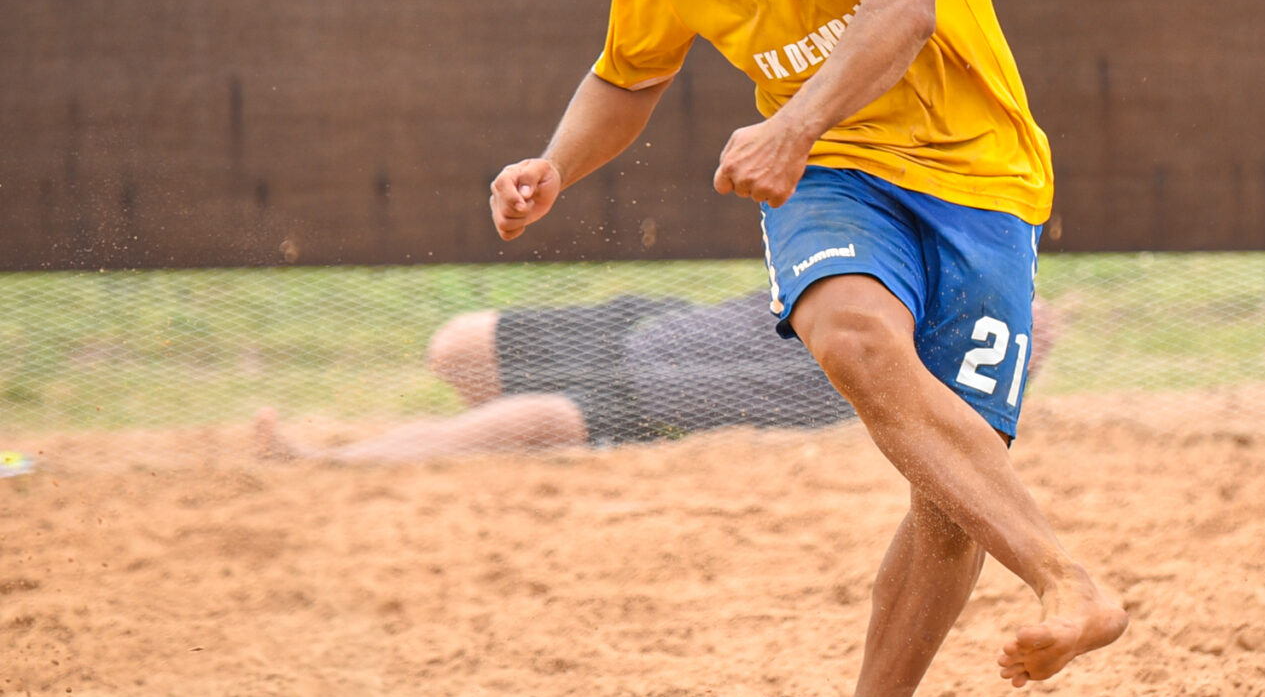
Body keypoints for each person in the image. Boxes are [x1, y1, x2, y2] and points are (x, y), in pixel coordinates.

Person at [487, 0, 1124, 697]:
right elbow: (627, 76)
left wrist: (788, 123)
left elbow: (903, 11)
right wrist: (555, 164)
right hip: (833, 171)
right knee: (853, 338)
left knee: (950, 500)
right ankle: (1068, 583)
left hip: (982, 175)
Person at [255, 291, 1062, 464]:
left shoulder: (908, 386)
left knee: (532, 422)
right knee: (455, 345)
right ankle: (478, 457)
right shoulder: (874, 268)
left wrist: (1009, 347)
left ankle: (330, 461)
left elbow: (1035, 327)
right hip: (646, 329)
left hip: (650, 404)